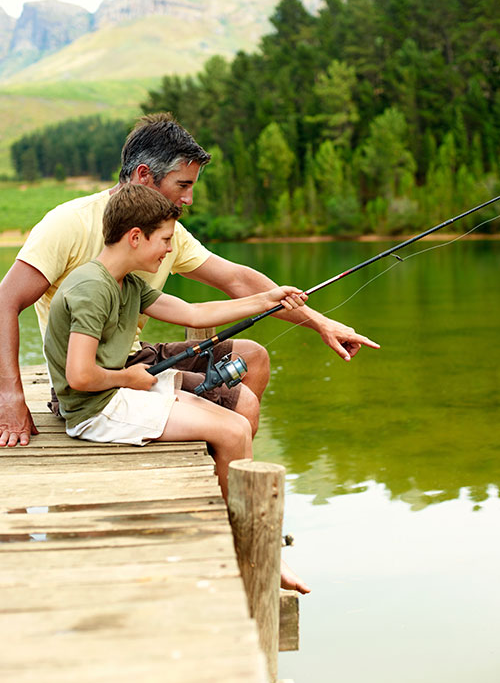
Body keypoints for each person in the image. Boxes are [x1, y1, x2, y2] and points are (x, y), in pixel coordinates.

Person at [0, 111, 379, 451]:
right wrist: (10, 396)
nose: (190, 198)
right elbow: (6, 302)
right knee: (239, 403)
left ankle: (222, 463)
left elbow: (236, 280)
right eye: (183, 185)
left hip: (135, 356)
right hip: (91, 379)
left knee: (253, 358)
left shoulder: (166, 233)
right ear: (144, 176)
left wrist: (321, 323)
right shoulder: (69, 223)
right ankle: (225, 451)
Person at [45, 183, 309, 591]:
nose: (168, 249)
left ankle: (244, 538)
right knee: (234, 430)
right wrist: (128, 378)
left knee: (231, 418)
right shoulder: (92, 287)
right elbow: (79, 376)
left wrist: (266, 299)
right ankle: (257, 553)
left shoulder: (126, 283)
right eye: (164, 239)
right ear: (136, 237)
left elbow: (192, 311)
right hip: (95, 410)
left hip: (118, 395)